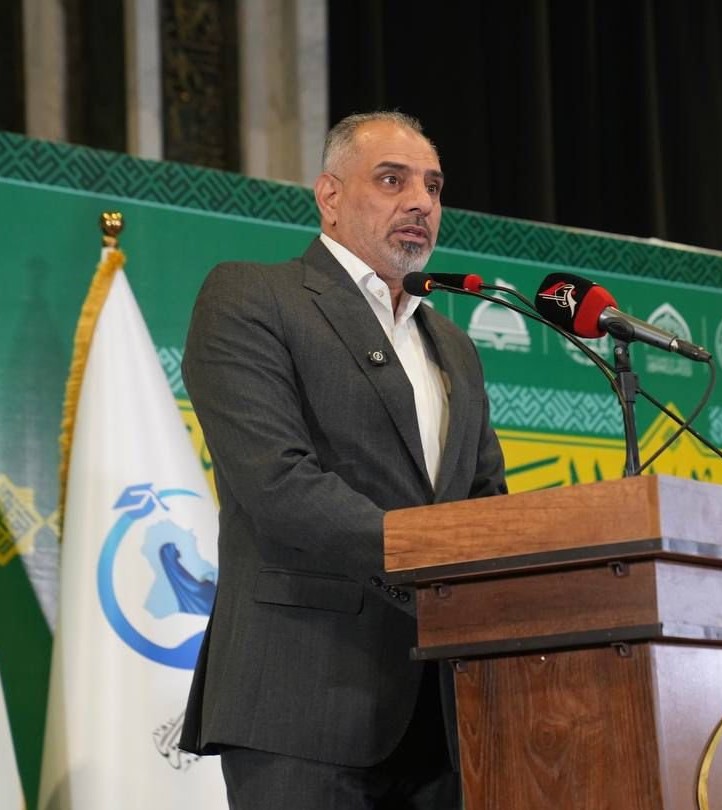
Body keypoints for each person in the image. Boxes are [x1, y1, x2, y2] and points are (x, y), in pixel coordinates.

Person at [178, 110, 507, 809]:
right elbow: (279, 483)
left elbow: (485, 501)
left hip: (448, 717)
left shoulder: (455, 346)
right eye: (392, 180)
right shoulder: (252, 297)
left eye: (433, 186)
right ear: (329, 196)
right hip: (303, 700)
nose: (420, 202)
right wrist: (434, 567)